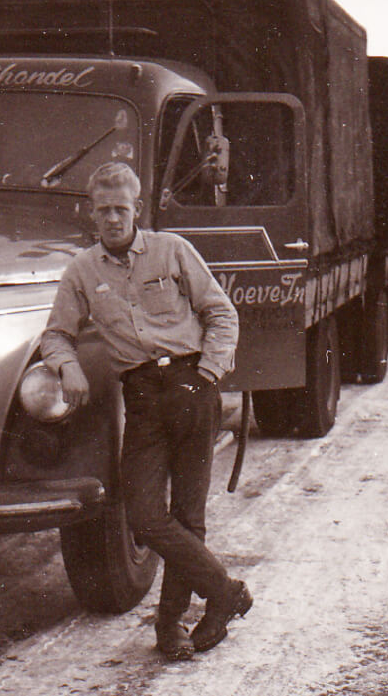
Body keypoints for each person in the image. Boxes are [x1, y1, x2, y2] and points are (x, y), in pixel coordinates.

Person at [41, 162, 251, 660]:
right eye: (103, 210)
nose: (113, 218)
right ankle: (224, 593)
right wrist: (67, 367)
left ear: (137, 209)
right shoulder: (82, 271)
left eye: (121, 208)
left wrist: (209, 374)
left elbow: (220, 312)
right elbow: (56, 334)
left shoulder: (172, 250)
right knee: (143, 515)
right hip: (140, 397)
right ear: (91, 214)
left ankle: (170, 626)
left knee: (188, 514)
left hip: (190, 385)